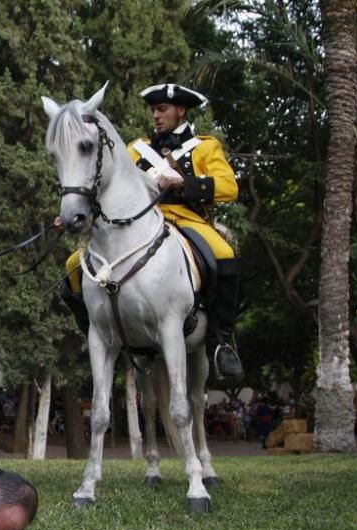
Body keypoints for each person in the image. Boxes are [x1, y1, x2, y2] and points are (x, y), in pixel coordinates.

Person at [61, 83, 244, 382]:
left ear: (180, 111)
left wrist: (184, 184)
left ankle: (222, 342)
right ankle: (94, 327)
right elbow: (109, 187)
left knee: (224, 254)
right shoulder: (135, 149)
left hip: (187, 220)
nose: (156, 116)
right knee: (72, 265)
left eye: (162, 110)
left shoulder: (205, 146)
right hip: (139, 222)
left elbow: (228, 187)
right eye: (154, 111)